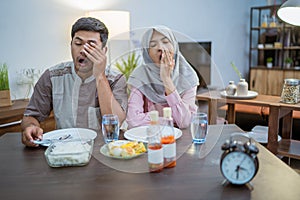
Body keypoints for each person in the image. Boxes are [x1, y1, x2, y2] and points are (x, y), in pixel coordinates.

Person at [21, 17, 128, 147]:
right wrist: (31, 127)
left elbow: (115, 122)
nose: (83, 50)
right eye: (78, 44)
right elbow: (31, 116)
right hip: (65, 148)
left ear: (104, 51)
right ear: (71, 45)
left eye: (91, 45)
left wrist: (100, 75)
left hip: (104, 150)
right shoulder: (52, 76)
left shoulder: (115, 79)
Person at [126, 26, 199, 129]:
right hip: (149, 138)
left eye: (165, 42)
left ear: (174, 45)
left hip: (180, 139)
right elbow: (133, 121)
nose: (160, 47)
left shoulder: (188, 75)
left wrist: (166, 79)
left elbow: (184, 122)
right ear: (147, 53)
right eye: (153, 45)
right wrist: (170, 120)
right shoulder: (139, 76)